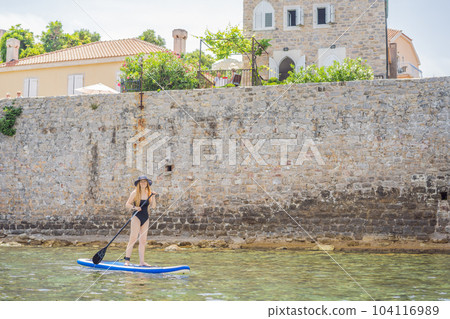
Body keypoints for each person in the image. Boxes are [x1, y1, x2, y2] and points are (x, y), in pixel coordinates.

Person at [124, 175, 157, 266]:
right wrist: (135, 207)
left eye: (145, 182)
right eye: (141, 182)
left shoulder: (148, 193)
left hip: (145, 217)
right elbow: (127, 204)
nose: (143, 183)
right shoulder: (135, 193)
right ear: (139, 183)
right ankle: (127, 260)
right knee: (133, 238)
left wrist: (153, 196)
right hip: (136, 216)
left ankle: (142, 262)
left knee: (143, 240)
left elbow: (153, 206)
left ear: (147, 183)